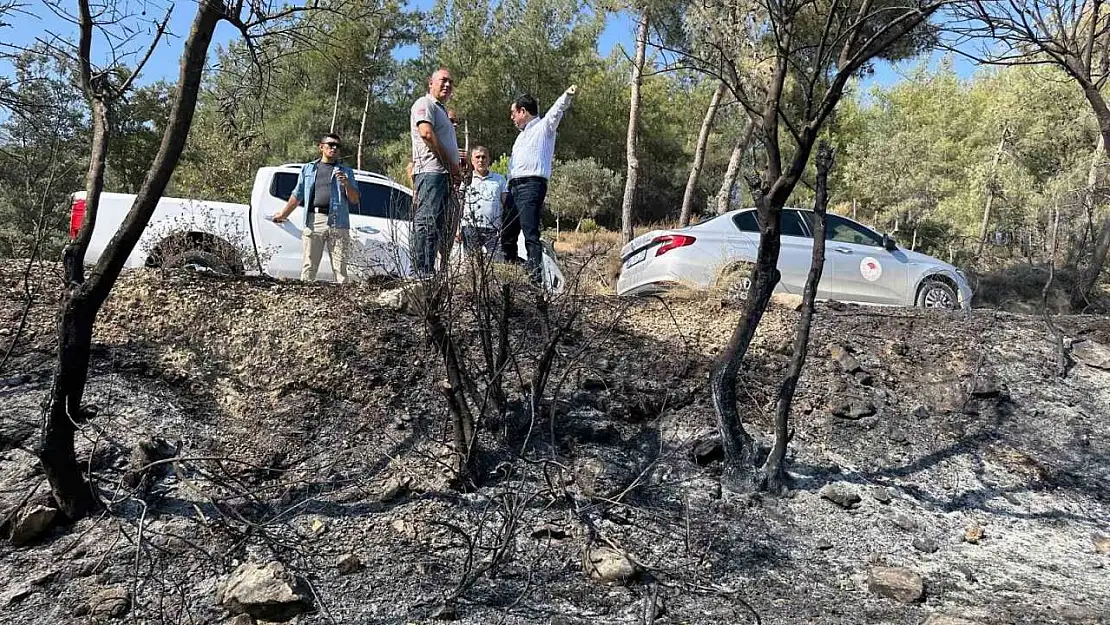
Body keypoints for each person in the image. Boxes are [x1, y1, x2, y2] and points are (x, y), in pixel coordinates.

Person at [502, 85, 577, 283]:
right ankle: (512, 274)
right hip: (514, 187)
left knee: (530, 233)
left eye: (513, 113)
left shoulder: (544, 127)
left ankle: (535, 280)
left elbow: (556, 111)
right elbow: (513, 166)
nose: (512, 118)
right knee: (507, 234)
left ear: (523, 111)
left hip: (531, 186)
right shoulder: (519, 138)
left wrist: (566, 95)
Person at [272, 133, 360, 283]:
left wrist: (346, 184)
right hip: (315, 220)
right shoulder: (308, 169)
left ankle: (344, 303)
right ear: (321, 147)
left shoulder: (346, 172)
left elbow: (355, 199)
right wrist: (283, 214)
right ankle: (305, 299)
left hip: (339, 222)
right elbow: (297, 194)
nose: (334, 148)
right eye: (330, 144)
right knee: (309, 266)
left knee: (340, 269)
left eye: (337, 146)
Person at [410, 69, 462, 277]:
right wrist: (450, 164)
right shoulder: (425, 104)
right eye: (443, 80)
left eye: (451, 81)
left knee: (442, 225)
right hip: (432, 173)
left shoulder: (441, 110)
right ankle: (422, 272)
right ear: (430, 82)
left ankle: (432, 272)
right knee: (428, 221)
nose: (448, 85)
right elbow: (426, 134)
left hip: (444, 176)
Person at [460, 146, 507, 256]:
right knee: (471, 264)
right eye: (477, 157)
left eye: (484, 157)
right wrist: (457, 229)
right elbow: (460, 205)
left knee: (496, 263)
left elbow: (506, 205)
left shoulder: (500, 179)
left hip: (494, 229)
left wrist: (505, 227)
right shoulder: (466, 180)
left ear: (489, 160)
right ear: (472, 160)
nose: (481, 160)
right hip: (470, 228)